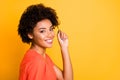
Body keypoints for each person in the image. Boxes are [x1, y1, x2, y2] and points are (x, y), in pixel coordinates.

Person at [18, 3, 73, 80]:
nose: (50, 35)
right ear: (30, 34)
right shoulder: (36, 62)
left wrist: (64, 47)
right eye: (42, 31)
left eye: (51, 29)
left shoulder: (43, 57)